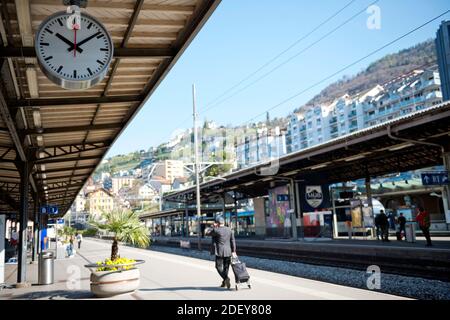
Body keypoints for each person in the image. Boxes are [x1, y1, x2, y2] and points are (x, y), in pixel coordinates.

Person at [206, 216, 237, 289]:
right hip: (228, 251)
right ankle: (224, 283)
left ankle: (226, 279)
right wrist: (234, 251)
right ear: (223, 222)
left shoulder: (216, 230)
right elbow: (233, 241)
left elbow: (207, 233)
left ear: (217, 223)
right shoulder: (229, 230)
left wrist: (213, 227)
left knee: (218, 267)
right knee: (226, 268)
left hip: (219, 251)